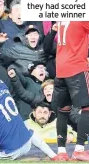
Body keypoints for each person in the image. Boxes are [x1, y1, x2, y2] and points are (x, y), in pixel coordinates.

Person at [0, 52, 58, 161]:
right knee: (26, 129)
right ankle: (54, 156)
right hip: (27, 144)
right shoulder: (2, 87)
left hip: (10, 153)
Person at [52, 21, 89, 161]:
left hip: (60, 70)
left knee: (63, 110)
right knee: (87, 107)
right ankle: (79, 149)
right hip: (76, 68)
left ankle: (61, 151)